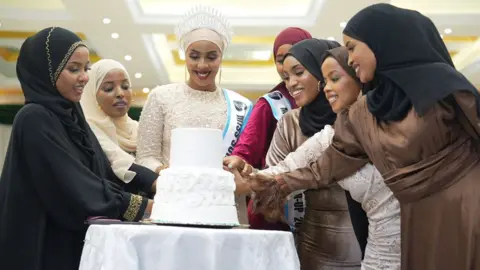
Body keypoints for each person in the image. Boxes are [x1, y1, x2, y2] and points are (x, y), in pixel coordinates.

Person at [250, 4, 480, 270]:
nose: (349, 58)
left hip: (467, 213)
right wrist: (275, 182)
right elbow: (326, 165)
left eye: (352, 47)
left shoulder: (444, 88)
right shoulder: (362, 114)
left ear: (380, 42)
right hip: (419, 221)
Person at [231, 46, 401, 269]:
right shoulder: (331, 137)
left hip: (413, 245)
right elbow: (288, 169)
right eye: (325, 81)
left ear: (359, 78)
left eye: (334, 79)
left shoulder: (398, 127)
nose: (326, 88)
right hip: (351, 254)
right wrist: (246, 172)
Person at [0, 27, 152, 270]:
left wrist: (155, 192)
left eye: (86, 69)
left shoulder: (72, 115)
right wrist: (140, 207)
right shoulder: (34, 118)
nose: (84, 77)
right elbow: (74, 184)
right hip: (44, 242)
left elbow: (102, 172)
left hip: (75, 240)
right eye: (74, 69)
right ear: (47, 71)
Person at [136, 5, 252, 224]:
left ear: (221, 57)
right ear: (185, 56)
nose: (202, 65)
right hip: (173, 202)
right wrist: (168, 173)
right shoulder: (161, 97)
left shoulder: (241, 106)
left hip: (224, 207)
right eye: (194, 56)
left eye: (211, 57)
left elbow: (247, 161)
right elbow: (145, 157)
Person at [231, 27, 310, 231]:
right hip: (275, 213)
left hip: (320, 216)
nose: (286, 66)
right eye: (280, 58)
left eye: (294, 56)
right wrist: (239, 165)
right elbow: (245, 152)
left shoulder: (332, 100)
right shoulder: (270, 104)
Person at [80, 59, 158, 198]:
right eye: (109, 88)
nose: (120, 93)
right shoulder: (88, 129)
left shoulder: (137, 128)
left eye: (125, 86)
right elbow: (120, 163)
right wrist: (167, 184)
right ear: (92, 95)